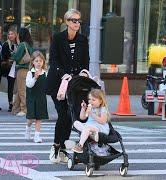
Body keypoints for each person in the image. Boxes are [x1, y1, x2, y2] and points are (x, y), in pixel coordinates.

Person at [46, 9, 89, 163]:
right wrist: (63, 73)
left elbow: (85, 61)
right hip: (58, 82)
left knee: (71, 117)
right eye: (74, 20)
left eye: (79, 21)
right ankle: (56, 146)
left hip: (74, 85)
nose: (77, 23)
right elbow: (54, 60)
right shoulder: (57, 38)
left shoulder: (83, 39)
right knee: (63, 114)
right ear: (67, 22)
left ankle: (63, 148)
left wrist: (84, 72)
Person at [72, 89, 110, 153]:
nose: (90, 101)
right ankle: (90, 134)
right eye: (89, 99)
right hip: (89, 127)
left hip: (99, 127)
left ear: (100, 101)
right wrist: (83, 109)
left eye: (93, 100)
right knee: (75, 123)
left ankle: (80, 146)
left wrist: (91, 114)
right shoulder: (90, 108)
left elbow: (102, 121)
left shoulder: (103, 109)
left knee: (87, 128)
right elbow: (82, 118)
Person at [25, 51, 48, 143]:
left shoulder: (45, 73)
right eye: (37, 61)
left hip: (41, 98)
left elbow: (47, 85)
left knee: (39, 118)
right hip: (32, 98)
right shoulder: (30, 73)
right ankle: (28, 128)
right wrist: (35, 78)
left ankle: (37, 136)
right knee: (31, 118)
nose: (39, 63)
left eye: (41, 61)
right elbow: (29, 85)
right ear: (33, 62)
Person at [11, 28, 33, 117]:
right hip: (28, 69)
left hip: (22, 70)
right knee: (19, 90)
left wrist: (12, 54)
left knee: (21, 91)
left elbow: (16, 57)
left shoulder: (22, 45)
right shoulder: (29, 45)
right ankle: (15, 109)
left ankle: (24, 109)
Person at [1, 27, 18, 112]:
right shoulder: (5, 44)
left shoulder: (19, 44)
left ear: (15, 35)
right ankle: (10, 103)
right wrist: (10, 60)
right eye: (9, 34)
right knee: (10, 86)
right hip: (9, 68)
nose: (10, 35)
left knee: (18, 86)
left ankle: (17, 103)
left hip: (18, 67)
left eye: (12, 34)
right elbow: (4, 57)